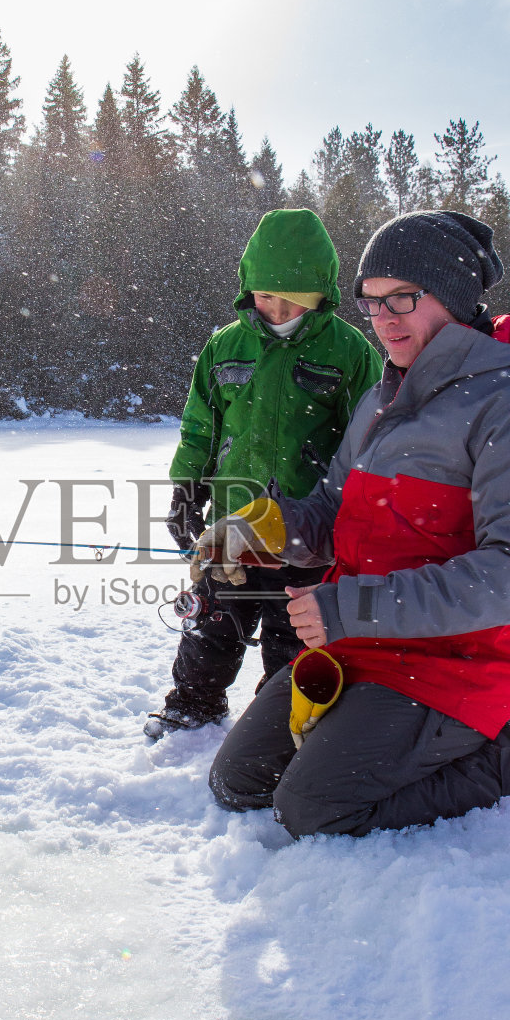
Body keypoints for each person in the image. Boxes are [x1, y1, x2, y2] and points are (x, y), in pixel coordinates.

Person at [198, 209, 510, 835]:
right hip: (358, 645)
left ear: (455, 298)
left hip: (455, 664)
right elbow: (336, 511)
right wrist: (271, 528)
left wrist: (351, 606)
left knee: (315, 809)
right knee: (240, 781)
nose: (384, 320)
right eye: (372, 303)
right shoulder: (386, 397)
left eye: (403, 298)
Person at [145, 208, 382, 739]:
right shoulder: (226, 346)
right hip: (234, 523)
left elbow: (364, 444)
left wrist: (349, 518)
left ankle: (277, 718)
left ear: (322, 292)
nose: (275, 308)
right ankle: (192, 703)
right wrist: (187, 491)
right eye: (264, 294)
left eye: (292, 297)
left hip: (306, 529)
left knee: (294, 633)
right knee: (211, 622)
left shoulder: (350, 353)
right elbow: (199, 429)